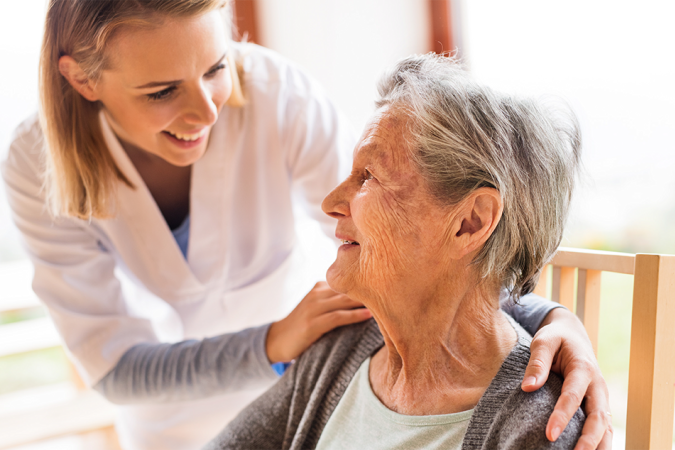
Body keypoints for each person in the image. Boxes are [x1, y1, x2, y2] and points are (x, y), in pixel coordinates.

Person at [1, 1, 610, 449]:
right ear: (82, 79)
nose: (207, 109)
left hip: (318, 357)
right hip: (189, 414)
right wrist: (273, 344)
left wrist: (551, 319)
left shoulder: (273, 93)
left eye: (217, 67)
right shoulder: (34, 165)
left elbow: (420, 239)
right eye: (161, 91)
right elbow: (115, 365)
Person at [205, 54, 593, 450]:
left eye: (369, 176)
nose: (331, 202)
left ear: (470, 223)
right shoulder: (341, 348)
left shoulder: (537, 429)